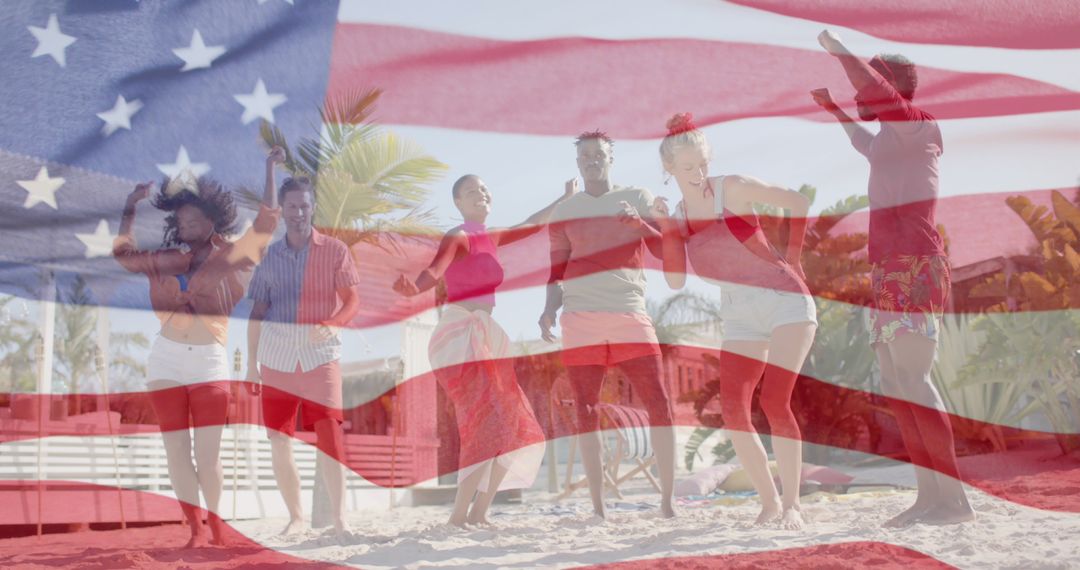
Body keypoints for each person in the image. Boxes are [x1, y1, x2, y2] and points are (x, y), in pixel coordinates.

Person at [811, 29, 975, 526]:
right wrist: (835, 109)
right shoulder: (889, 139)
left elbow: (876, 93)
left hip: (918, 265)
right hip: (886, 271)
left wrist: (838, 49)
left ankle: (955, 501)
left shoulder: (919, 125)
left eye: (872, 89)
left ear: (891, 89)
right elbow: (864, 141)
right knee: (896, 381)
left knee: (916, 379)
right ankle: (929, 498)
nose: (864, 97)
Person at [651, 113, 817, 529]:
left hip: (785, 302)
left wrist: (793, 259)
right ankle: (769, 503)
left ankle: (793, 504)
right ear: (669, 169)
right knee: (733, 410)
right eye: (687, 167)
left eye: (702, 163)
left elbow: (797, 202)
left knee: (774, 401)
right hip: (739, 312)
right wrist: (665, 228)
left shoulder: (733, 187)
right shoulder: (678, 212)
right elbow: (674, 279)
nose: (698, 174)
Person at [113, 150, 280, 548]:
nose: (187, 225)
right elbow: (124, 256)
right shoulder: (167, 260)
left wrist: (270, 168)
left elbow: (266, 223)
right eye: (181, 220)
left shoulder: (233, 257)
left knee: (208, 456)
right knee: (176, 453)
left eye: (195, 219)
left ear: (212, 220)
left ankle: (218, 525)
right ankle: (194, 529)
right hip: (165, 359)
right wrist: (129, 207)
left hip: (209, 361)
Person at [394, 173, 572, 527]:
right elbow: (434, 270)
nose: (481, 194)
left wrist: (562, 200)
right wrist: (413, 289)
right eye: (472, 191)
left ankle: (478, 512)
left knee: (509, 424)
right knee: (481, 424)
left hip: (485, 334)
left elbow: (531, 224)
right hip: (461, 334)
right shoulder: (459, 236)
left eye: (485, 189)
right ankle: (459, 516)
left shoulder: (491, 237)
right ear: (459, 203)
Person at [539, 131, 677, 519]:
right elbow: (556, 272)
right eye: (585, 155)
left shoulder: (637, 197)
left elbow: (663, 251)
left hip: (629, 312)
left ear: (610, 158)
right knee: (585, 409)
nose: (592, 160)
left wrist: (641, 226)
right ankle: (598, 507)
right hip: (580, 317)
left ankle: (667, 500)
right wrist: (548, 309)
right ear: (578, 163)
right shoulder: (564, 212)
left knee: (660, 403)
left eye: (599, 154)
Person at [246, 154, 362, 538]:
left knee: (330, 434)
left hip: (321, 356)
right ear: (284, 210)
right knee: (279, 439)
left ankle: (341, 520)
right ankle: (296, 517)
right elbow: (257, 313)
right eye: (292, 206)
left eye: (305, 205)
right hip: (277, 358)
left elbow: (351, 301)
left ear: (314, 208)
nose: (299, 212)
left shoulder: (334, 250)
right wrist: (250, 365)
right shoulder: (269, 257)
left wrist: (334, 324)